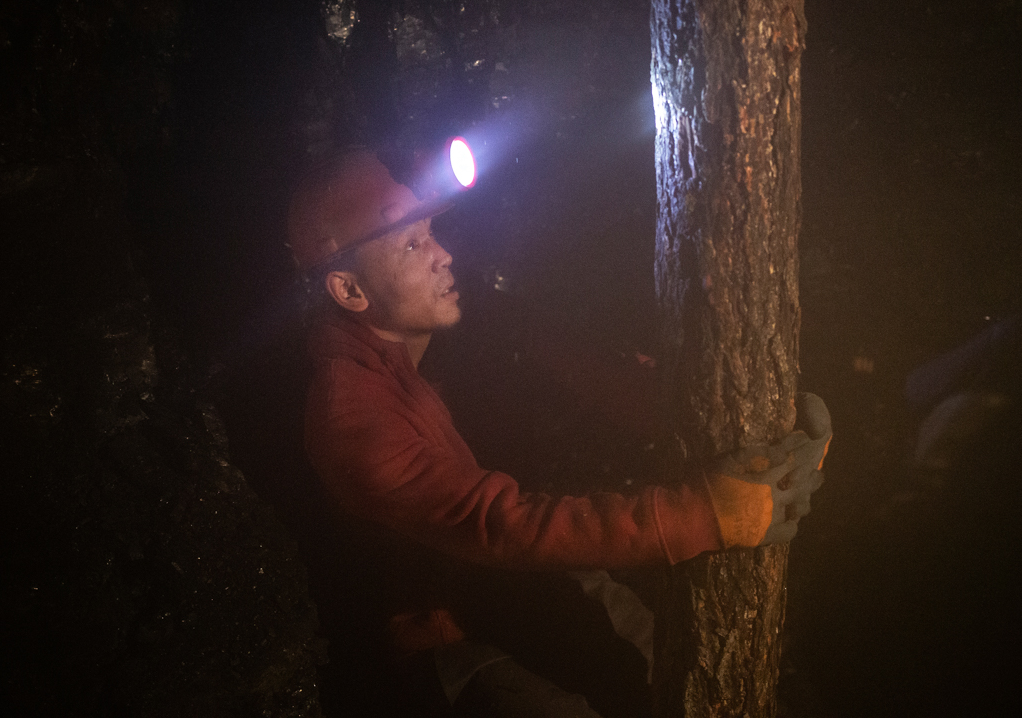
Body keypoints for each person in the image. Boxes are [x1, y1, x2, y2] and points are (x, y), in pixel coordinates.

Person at [287, 148, 830, 717]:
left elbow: (586, 363)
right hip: (449, 642)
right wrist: (703, 515)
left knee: (671, 676)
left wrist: (764, 422)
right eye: (412, 244)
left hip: (519, 588)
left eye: (432, 230)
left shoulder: (454, 315)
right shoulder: (348, 417)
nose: (444, 254)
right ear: (350, 291)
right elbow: (499, 526)